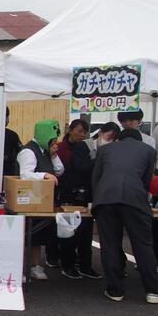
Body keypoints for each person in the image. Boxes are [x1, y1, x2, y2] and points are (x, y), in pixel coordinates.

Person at [92, 128, 158, 303]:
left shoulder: (104, 149)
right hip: (134, 199)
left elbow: (96, 178)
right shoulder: (149, 151)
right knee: (143, 245)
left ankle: (115, 290)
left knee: (110, 244)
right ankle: (153, 291)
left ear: (118, 139)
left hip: (106, 200)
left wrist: (96, 200)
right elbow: (146, 181)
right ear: (139, 140)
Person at [17, 119, 64, 281]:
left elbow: (59, 170)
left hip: (40, 200)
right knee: (25, 235)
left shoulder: (45, 151)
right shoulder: (28, 151)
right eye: (53, 140)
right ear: (44, 136)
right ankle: (20, 268)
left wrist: (54, 156)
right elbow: (25, 174)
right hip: (25, 199)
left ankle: (35, 266)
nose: (55, 143)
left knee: (37, 236)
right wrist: (43, 175)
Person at [56, 120, 101, 280]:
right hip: (68, 193)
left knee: (85, 231)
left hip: (86, 193)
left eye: (85, 132)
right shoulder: (60, 148)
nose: (82, 135)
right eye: (79, 131)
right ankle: (67, 264)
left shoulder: (89, 148)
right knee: (68, 231)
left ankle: (84, 265)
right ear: (70, 130)